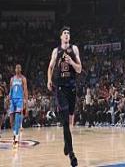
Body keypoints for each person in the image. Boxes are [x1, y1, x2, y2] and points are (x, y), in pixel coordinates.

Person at [47, 26, 82, 167]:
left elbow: (79, 69)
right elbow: (50, 67)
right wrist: (49, 80)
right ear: (61, 37)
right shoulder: (56, 51)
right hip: (60, 88)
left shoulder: (74, 49)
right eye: (64, 33)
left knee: (70, 120)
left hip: (72, 88)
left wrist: (71, 62)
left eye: (68, 33)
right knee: (66, 121)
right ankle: (72, 155)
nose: (67, 35)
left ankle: (67, 143)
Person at [9, 64, 28, 147]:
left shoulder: (23, 78)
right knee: (11, 119)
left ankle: (16, 136)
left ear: (21, 69)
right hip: (12, 100)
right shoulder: (12, 79)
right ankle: (14, 133)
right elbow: (11, 90)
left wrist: (26, 102)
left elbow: (25, 90)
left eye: (19, 68)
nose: (17, 69)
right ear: (15, 69)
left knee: (17, 117)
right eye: (16, 68)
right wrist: (9, 98)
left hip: (20, 99)